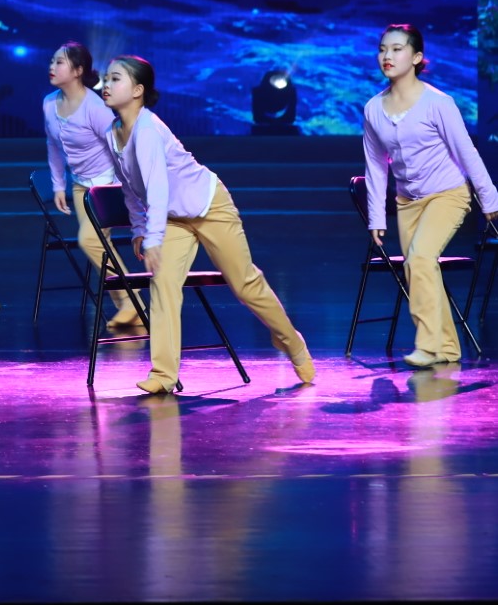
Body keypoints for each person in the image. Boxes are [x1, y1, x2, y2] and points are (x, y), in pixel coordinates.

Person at [101, 55, 314, 393]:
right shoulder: (113, 133)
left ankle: (291, 341)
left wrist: (152, 237)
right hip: (173, 218)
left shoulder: (147, 129)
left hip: (208, 205)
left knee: (244, 283)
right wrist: (140, 230)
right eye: (107, 78)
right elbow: (129, 187)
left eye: (115, 79)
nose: (106, 85)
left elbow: (157, 187)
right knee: (163, 284)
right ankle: (163, 374)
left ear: (138, 90)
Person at [362, 23, 498, 367]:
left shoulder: (438, 103)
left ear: (416, 57)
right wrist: (376, 218)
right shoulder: (374, 109)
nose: (387, 56)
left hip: (447, 195)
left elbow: (466, 152)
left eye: (397, 49)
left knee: (420, 259)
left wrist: (489, 198)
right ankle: (447, 350)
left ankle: (426, 345)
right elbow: (375, 167)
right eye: (382, 49)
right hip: (407, 202)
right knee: (420, 269)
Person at [44, 42, 141, 326]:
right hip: (79, 185)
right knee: (99, 244)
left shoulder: (95, 108)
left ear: (78, 71)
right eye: (52, 61)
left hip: (106, 185)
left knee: (90, 240)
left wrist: (126, 190)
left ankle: (132, 298)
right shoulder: (49, 103)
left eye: (59, 62)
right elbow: (52, 145)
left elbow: (119, 147)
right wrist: (58, 185)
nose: (52, 67)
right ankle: (130, 307)